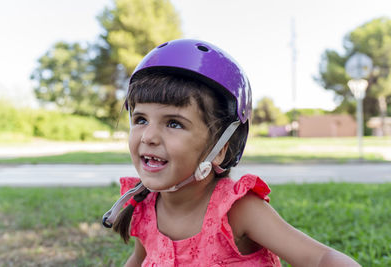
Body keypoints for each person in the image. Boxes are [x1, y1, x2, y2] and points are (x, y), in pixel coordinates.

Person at [102, 39, 360, 267]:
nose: (148, 136)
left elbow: (319, 258)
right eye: (141, 119)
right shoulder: (144, 205)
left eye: (174, 123)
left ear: (220, 149)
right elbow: (140, 259)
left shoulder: (236, 209)